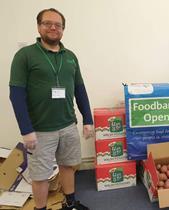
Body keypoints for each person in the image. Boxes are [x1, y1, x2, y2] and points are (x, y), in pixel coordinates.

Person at [9, 8, 93, 210]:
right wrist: (26, 130)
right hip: (39, 130)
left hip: (67, 125)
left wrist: (88, 119)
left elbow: (80, 90)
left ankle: (70, 203)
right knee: (40, 174)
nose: (53, 27)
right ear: (39, 27)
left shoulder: (70, 56)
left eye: (58, 24)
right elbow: (16, 95)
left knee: (68, 166)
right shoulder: (25, 55)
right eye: (47, 23)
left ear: (63, 29)